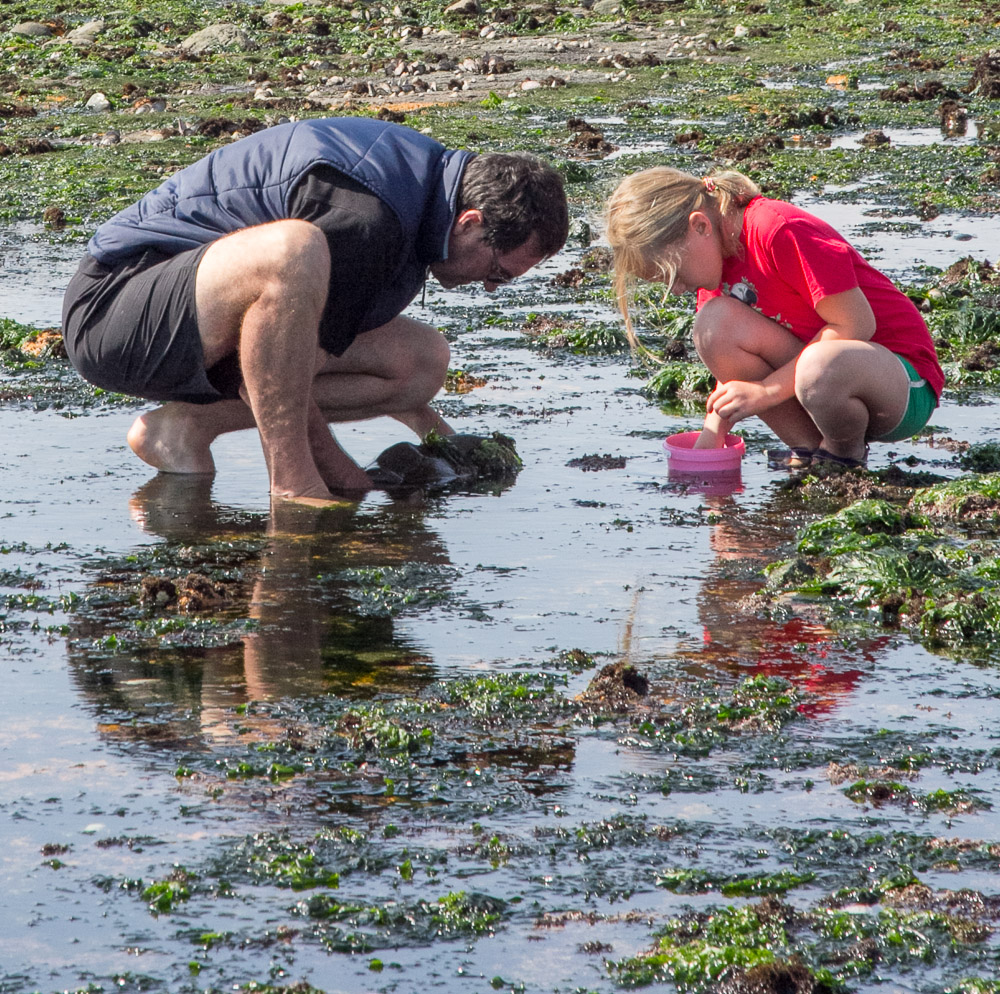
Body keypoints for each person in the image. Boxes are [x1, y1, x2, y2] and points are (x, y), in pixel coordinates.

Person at [62, 117, 568, 502]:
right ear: (470, 221)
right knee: (292, 249)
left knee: (421, 360)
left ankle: (184, 429)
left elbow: (318, 342)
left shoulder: (427, 192)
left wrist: (439, 436)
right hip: (114, 313)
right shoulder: (366, 217)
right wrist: (347, 482)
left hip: (201, 313)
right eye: (498, 272)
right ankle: (291, 487)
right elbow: (276, 363)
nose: (491, 289)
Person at [604, 167, 943, 469]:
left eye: (675, 275)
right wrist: (710, 439)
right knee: (712, 326)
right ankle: (809, 450)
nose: (677, 290)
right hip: (821, 383)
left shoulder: (776, 229)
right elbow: (732, 369)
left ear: (700, 225)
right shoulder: (716, 266)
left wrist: (766, 391)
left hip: (901, 384)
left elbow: (856, 326)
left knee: (818, 365)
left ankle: (843, 456)